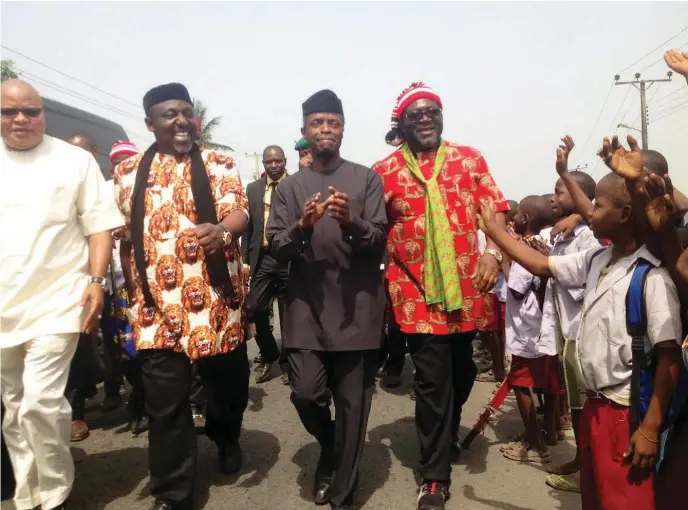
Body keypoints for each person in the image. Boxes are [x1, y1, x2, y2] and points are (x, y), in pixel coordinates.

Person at [478, 136, 683, 510]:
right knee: (597, 497)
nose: (591, 212)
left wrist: (651, 428)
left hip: (627, 414)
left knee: (626, 500)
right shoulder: (596, 259)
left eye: (599, 205)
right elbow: (541, 264)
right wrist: (495, 235)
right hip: (595, 408)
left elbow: (669, 360)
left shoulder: (651, 278)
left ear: (623, 215)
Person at [113, 83, 250, 510]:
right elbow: (122, 236)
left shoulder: (219, 162)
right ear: (150, 123)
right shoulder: (127, 171)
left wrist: (223, 230)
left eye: (185, 112)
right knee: (165, 405)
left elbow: (240, 211)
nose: (180, 120)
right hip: (156, 308)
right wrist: (128, 290)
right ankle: (173, 493)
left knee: (226, 389)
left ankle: (226, 438)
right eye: (169, 114)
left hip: (214, 302)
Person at [373, 82, 508, 510]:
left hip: (470, 289)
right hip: (416, 294)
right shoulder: (384, 171)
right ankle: (434, 477)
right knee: (432, 382)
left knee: (463, 373)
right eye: (416, 115)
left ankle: (447, 427)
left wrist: (494, 252)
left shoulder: (470, 160)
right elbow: (375, 231)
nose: (425, 119)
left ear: (442, 116)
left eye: (432, 112)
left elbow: (496, 213)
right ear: (403, 124)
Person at [0, 79, 123, 510]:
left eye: (30, 111)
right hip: (3, 308)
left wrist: (95, 281)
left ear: (43, 112)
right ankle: (27, 488)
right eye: (9, 112)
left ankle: (53, 492)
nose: (21, 119)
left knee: (40, 400)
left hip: (58, 299)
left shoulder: (72, 161)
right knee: (14, 407)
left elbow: (98, 225)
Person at [267, 89, 387, 510]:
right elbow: (276, 247)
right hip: (306, 311)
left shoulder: (366, 178)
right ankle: (331, 445)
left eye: (332, 123)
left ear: (342, 129)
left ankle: (342, 494)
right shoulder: (290, 188)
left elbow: (378, 242)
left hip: (358, 311)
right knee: (305, 394)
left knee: (354, 407)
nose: (325, 130)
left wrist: (351, 222)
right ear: (304, 131)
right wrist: (302, 225)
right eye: (317, 123)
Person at [543, 137, 601, 493]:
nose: (554, 198)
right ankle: (583, 459)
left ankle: (587, 467)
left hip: (583, 331)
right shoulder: (562, 234)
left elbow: (582, 282)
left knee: (585, 404)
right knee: (577, 404)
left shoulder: (588, 238)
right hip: (569, 330)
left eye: (560, 191)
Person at [499, 196, 561, 465]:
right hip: (545, 327)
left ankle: (535, 443)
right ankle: (550, 431)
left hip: (526, 329)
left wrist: (504, 256)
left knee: (521, 385)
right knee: (549, 382)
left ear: (525, 220)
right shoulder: (550, 244)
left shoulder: (526, 248)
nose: (513, 219)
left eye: (518, 214)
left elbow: (515, 287)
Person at [64, 132, 108, 442]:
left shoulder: (105, 189)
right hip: (60, 280)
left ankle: (77, 410)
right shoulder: (52, 184)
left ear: (94, 153)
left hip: (98, 278)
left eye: (83, 151)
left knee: (83, 346)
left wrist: (98, 279)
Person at [241, 145, 289, 384]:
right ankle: (270, 353)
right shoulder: (253, 189)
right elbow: (248, 228)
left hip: (289, 258)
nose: (273, 165)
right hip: (263, 257)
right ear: (264, 163)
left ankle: (289, 363)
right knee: (256, 307)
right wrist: (245, 261)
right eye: (269, 161)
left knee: (290, 313)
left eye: (277, 161)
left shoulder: (296, 185)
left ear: (284, 161)